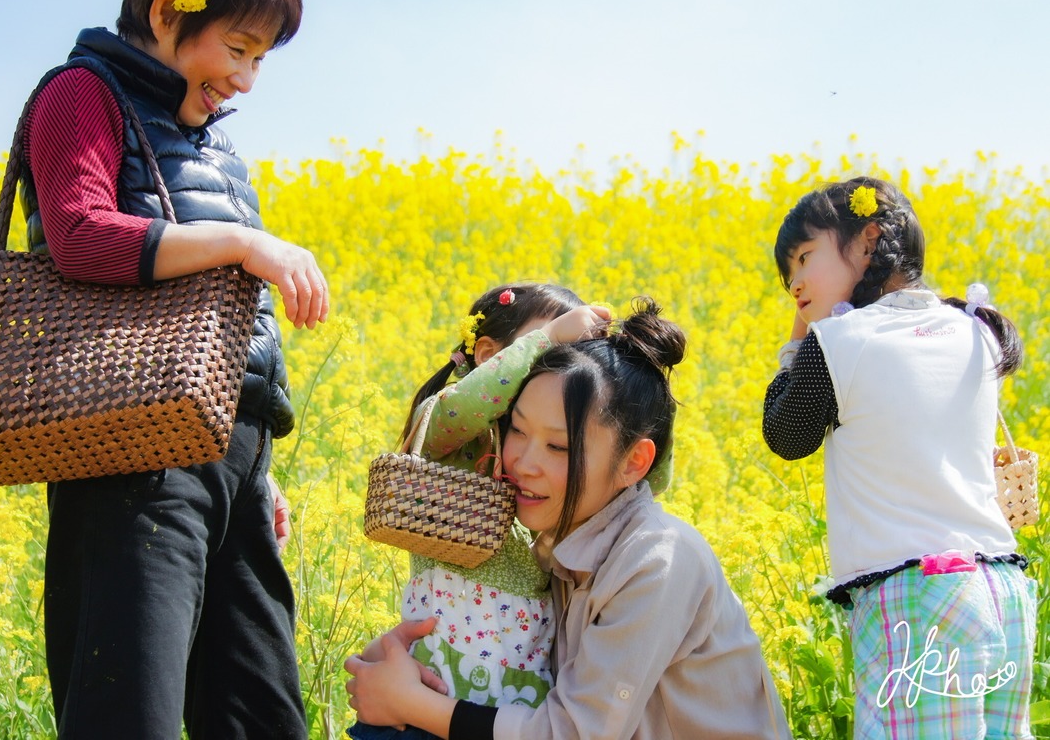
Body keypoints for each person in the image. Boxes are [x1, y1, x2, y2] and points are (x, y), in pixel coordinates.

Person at [19, 0, 325, 736]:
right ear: (166, 11)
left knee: (260, 718)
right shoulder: (82, 91)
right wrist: (248, 243)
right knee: (129, 714)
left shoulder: (211, 139)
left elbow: (220, 323)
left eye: (261, 59)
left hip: (229, 459)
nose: (246, 79)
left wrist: (254, 461)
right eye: (238, 49)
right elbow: (81, 235)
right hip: (131, 454)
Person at [347, 298, 792, 739]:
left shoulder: (657, 560)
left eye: (558, 447)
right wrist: (400, 663)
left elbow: (575, 734)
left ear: (634, 463)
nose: (523, 462)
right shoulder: (560, 554)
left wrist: (412, 703)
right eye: (517, 430)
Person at [762, 177, 1035, 737]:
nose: (795, 282)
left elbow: (786, 434)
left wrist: (801, 335)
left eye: (805, 258)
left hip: (919, 603)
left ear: (867, 240)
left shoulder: (840, 342)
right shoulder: (974, 329)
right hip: (1004, 593)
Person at [350, 282, 611, 740]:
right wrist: (549, 338)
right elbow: (470, 405)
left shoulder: (543, 463)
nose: (553, 370)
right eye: (543, 356)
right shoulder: (451, 432)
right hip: (423, 702)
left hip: (506, 712)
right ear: (490, 356)